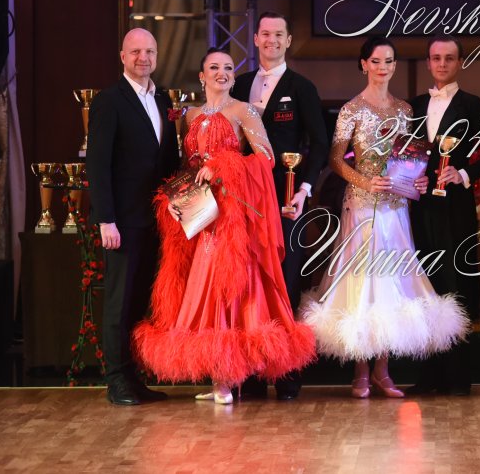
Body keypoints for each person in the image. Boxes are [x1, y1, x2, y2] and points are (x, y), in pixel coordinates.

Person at [133, 49, 317, 404]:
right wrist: (176, 199)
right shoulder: (189, 116)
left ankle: (226, 380)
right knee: (201, 289)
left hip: (231, 215)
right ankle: (220, 376)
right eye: (214, 67)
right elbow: (187, 166)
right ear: (201, 76)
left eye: (229, 68)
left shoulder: (244, 111)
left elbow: (265, 157)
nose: (222, 73)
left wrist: (223, 165)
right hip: (201, 215)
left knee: (226, 288)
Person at [300, 37, 468, 399]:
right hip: (361, 207)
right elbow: (335, 160)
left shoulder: (405, 110)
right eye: (376, 61)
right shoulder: (351, 109)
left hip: (396, 209)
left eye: (389, 61)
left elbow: (409, 159)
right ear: (364, 64)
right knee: (362, 285)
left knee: (393, 285)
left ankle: (382, 370)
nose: (383, 67)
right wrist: (364, 181)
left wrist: (418, 181)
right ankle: (360, 371)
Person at [232, 11, 329, 400]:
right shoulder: (238, 84)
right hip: (244, 202)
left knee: (285, 283)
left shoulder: (301, 87)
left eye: (279, 34)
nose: (271, 40)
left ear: (288, 41)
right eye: (265, 33)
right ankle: (253, 373)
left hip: (287, 201)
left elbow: (319, 143)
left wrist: (305, 187)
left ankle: (287, 373)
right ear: (255, 39)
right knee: (249, 284)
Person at [86, 28, 180, 406]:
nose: (144, 58)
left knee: (141, 301)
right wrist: (105, 219)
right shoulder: (109, 101)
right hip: (122, 222)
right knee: (119, 302)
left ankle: (135, 377)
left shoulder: (163, 98)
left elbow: (167, 162)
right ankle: (116, 380)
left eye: (150, 51)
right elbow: (98, 164)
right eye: (136, 51)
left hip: (156, 220)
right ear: (123, 56)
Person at [406, 38, 480, 396]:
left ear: (459, 62)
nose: (442, 64)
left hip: (456, 206)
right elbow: (406, 153)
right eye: (436, 58)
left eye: (449, 58)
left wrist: (461, 173)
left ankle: (459, 375)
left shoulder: (471, 104)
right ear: (428, 62)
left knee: (458, 284)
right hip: (421, 208)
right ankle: (429, 374)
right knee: (426, 285)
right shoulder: (415, 105)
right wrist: (412, 177)